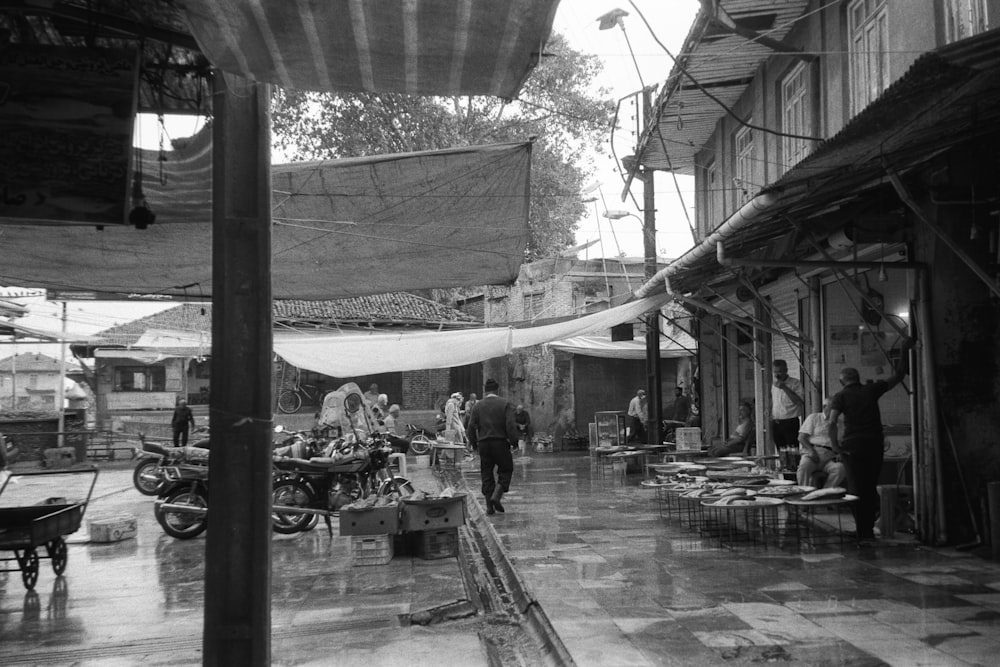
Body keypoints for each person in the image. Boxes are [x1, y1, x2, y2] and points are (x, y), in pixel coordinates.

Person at [829, 337, 915, 545]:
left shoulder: (840, 396)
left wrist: (835, 446)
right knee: (870, 486)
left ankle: (862, 531)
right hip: (874, 445)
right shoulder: (871, 389)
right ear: (858, 378)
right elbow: (899, 375)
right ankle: (866, 531)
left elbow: (831, 423)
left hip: (853, 448)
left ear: (842, 381)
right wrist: (904, 349)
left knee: (855, 489)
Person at [467, 378, 518, 516]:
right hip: (500, 442)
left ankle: (489, 506)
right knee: (506, 469)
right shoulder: (505, 404)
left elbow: (471, 427)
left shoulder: (477, 406)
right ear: (497, 390)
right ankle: (497, 494)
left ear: (485, 391)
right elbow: (510, 425)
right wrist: (514, 442)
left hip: (484, 444)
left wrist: (474, 444)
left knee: (486, 473)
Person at [796, 399, 847, 488]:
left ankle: (824, 493)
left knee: (840, 469)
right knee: (804, 466)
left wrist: (840, 453)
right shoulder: (814, 418)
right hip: (814, 452)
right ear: (824, 407)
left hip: (831, 456)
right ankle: (803, 492)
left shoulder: (841, 424)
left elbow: (844, 443)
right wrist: (811, 450)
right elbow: (801, 437)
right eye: (833, 409)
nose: (836, 412)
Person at [771, 360, 805, 469]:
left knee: (792, 452)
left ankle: (793, 476)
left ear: (786, 370)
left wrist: (785, 388)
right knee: (781, 451)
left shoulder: (795, 383)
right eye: (775, 371)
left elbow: (799, 402)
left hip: (790, 421)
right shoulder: (774, 384)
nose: (777, 374)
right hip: (776, 421)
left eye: (780, 371)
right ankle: (785, 475)